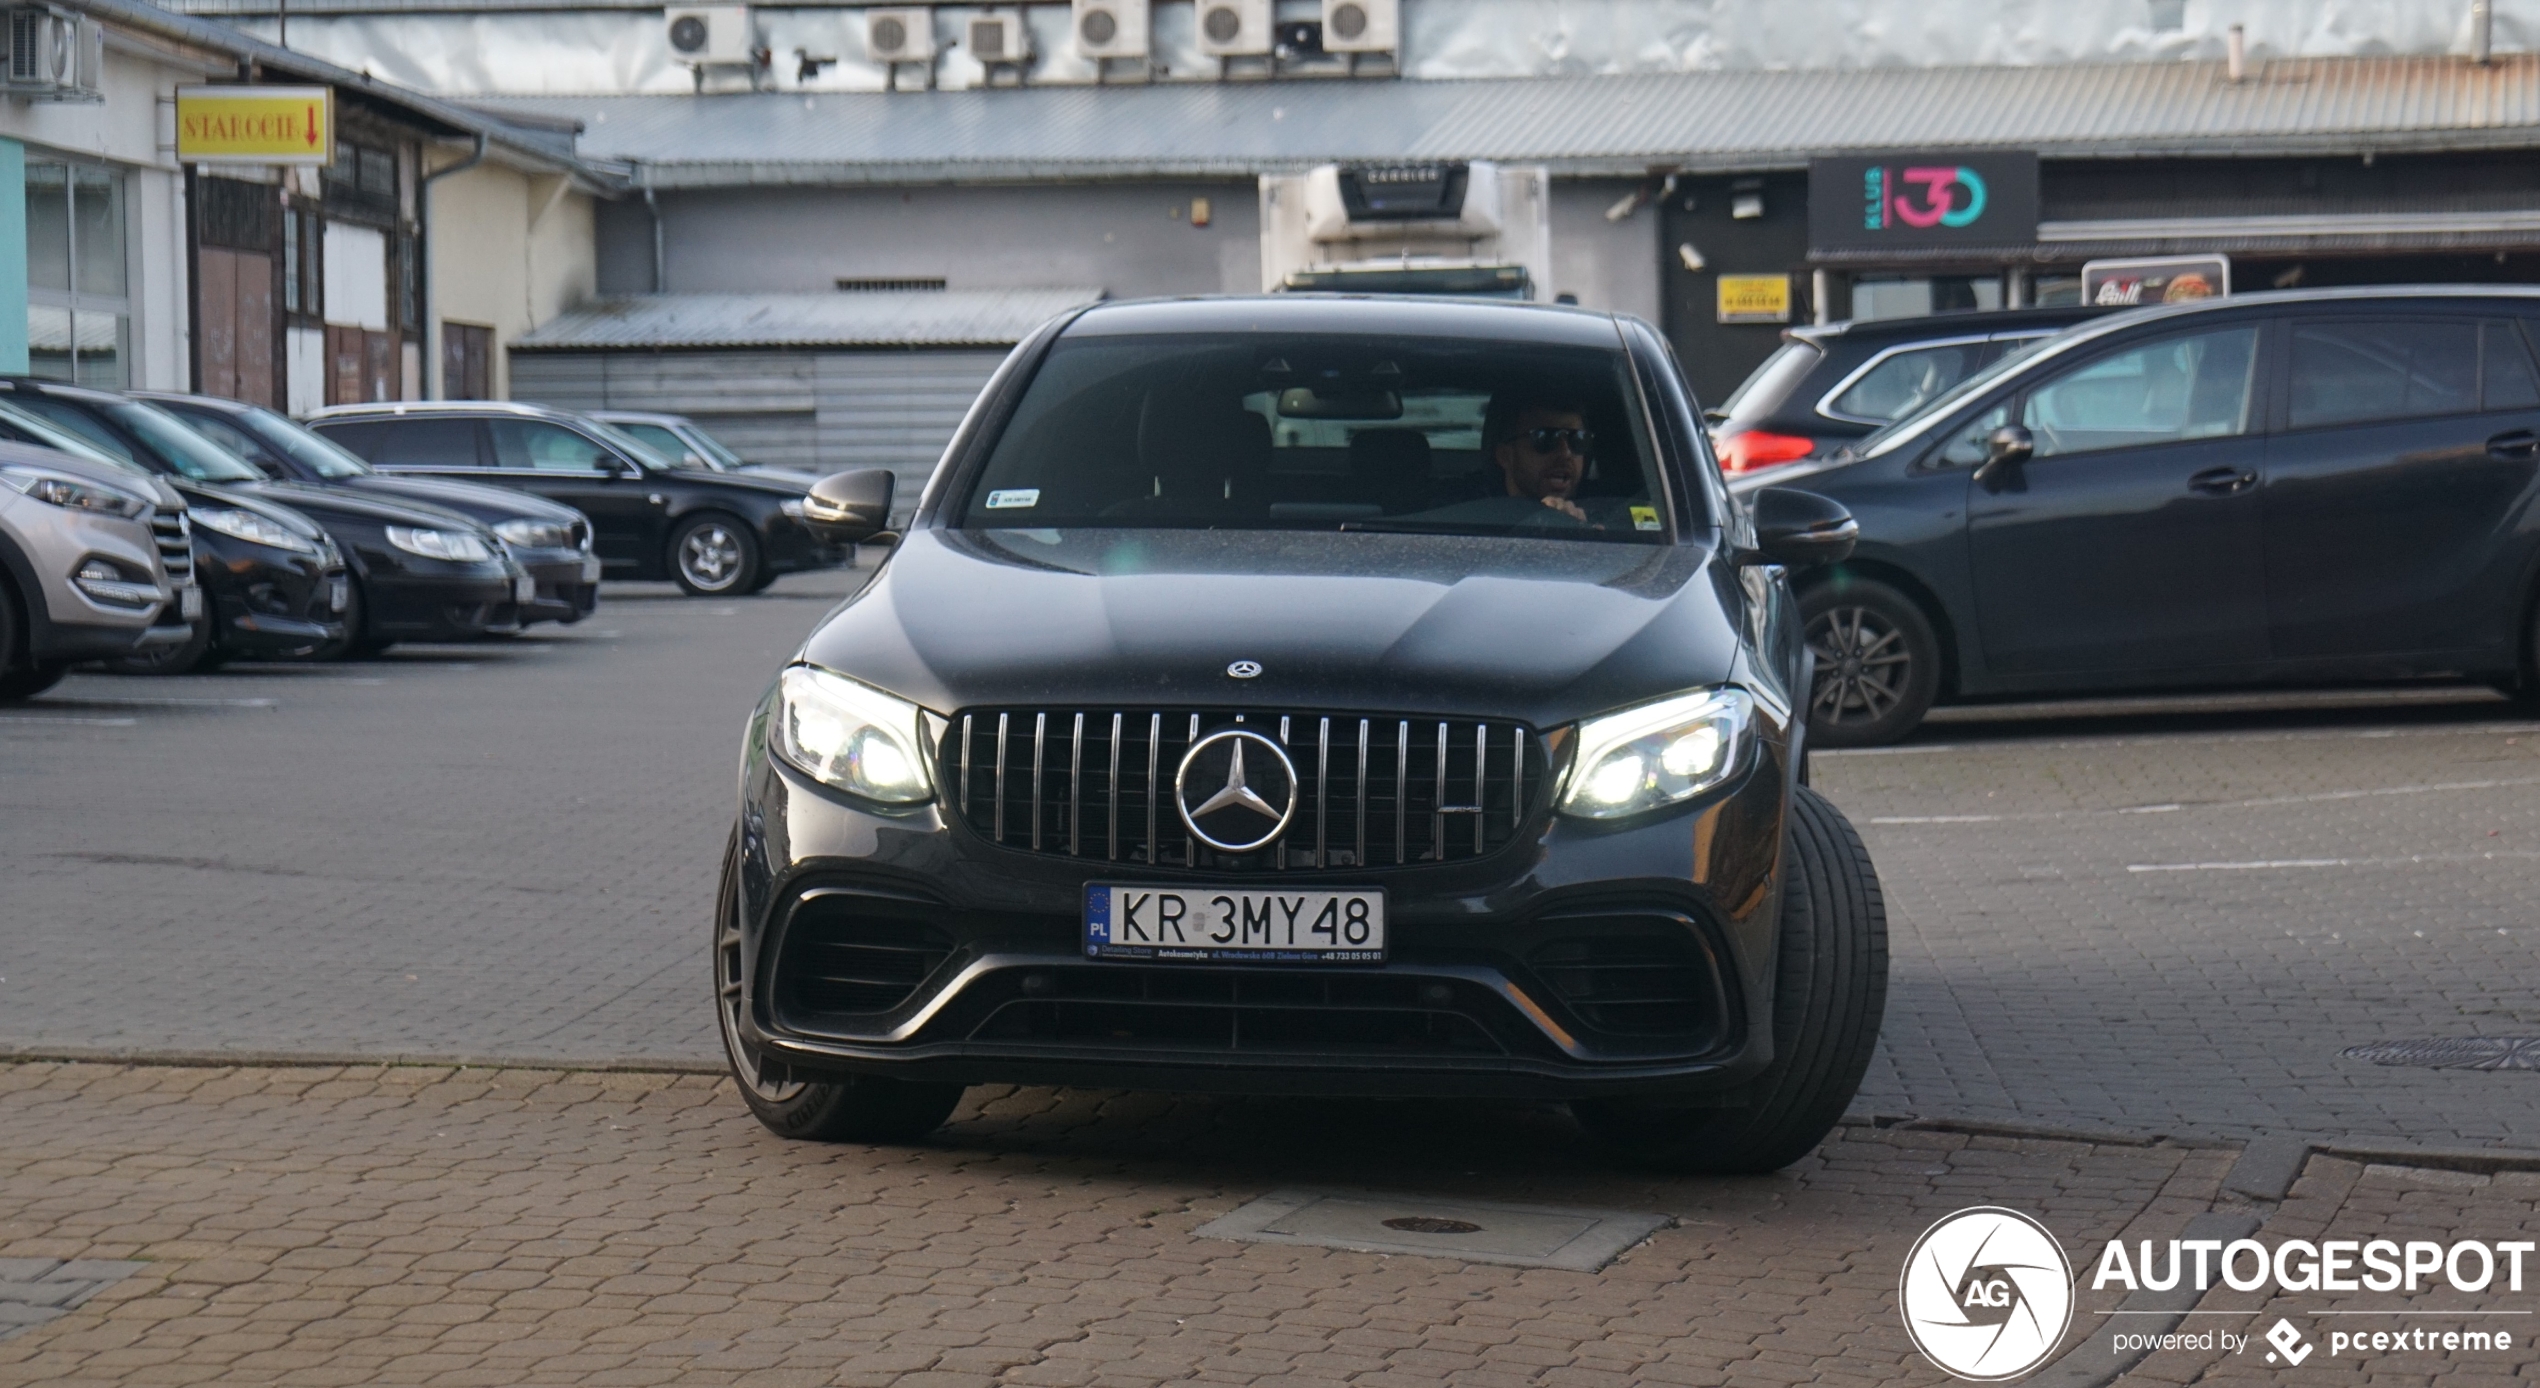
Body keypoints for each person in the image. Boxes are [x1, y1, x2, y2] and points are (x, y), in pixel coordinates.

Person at [1484, 395, 1596, 522]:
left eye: (1577, 440)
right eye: (1545, 439)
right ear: (1504, 455)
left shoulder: (1606, 520)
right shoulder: (1470, 520)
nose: (1565, 453)